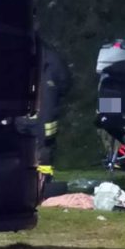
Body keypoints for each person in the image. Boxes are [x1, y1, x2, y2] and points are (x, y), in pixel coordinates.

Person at [34, 38, 72, 198]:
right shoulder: (52, 58)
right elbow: (65, 83)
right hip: (44, 119)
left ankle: (42, 184)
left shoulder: (48, 61)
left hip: (34, 119)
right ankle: (43, 184)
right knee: (44, 149)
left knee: (42, 150)